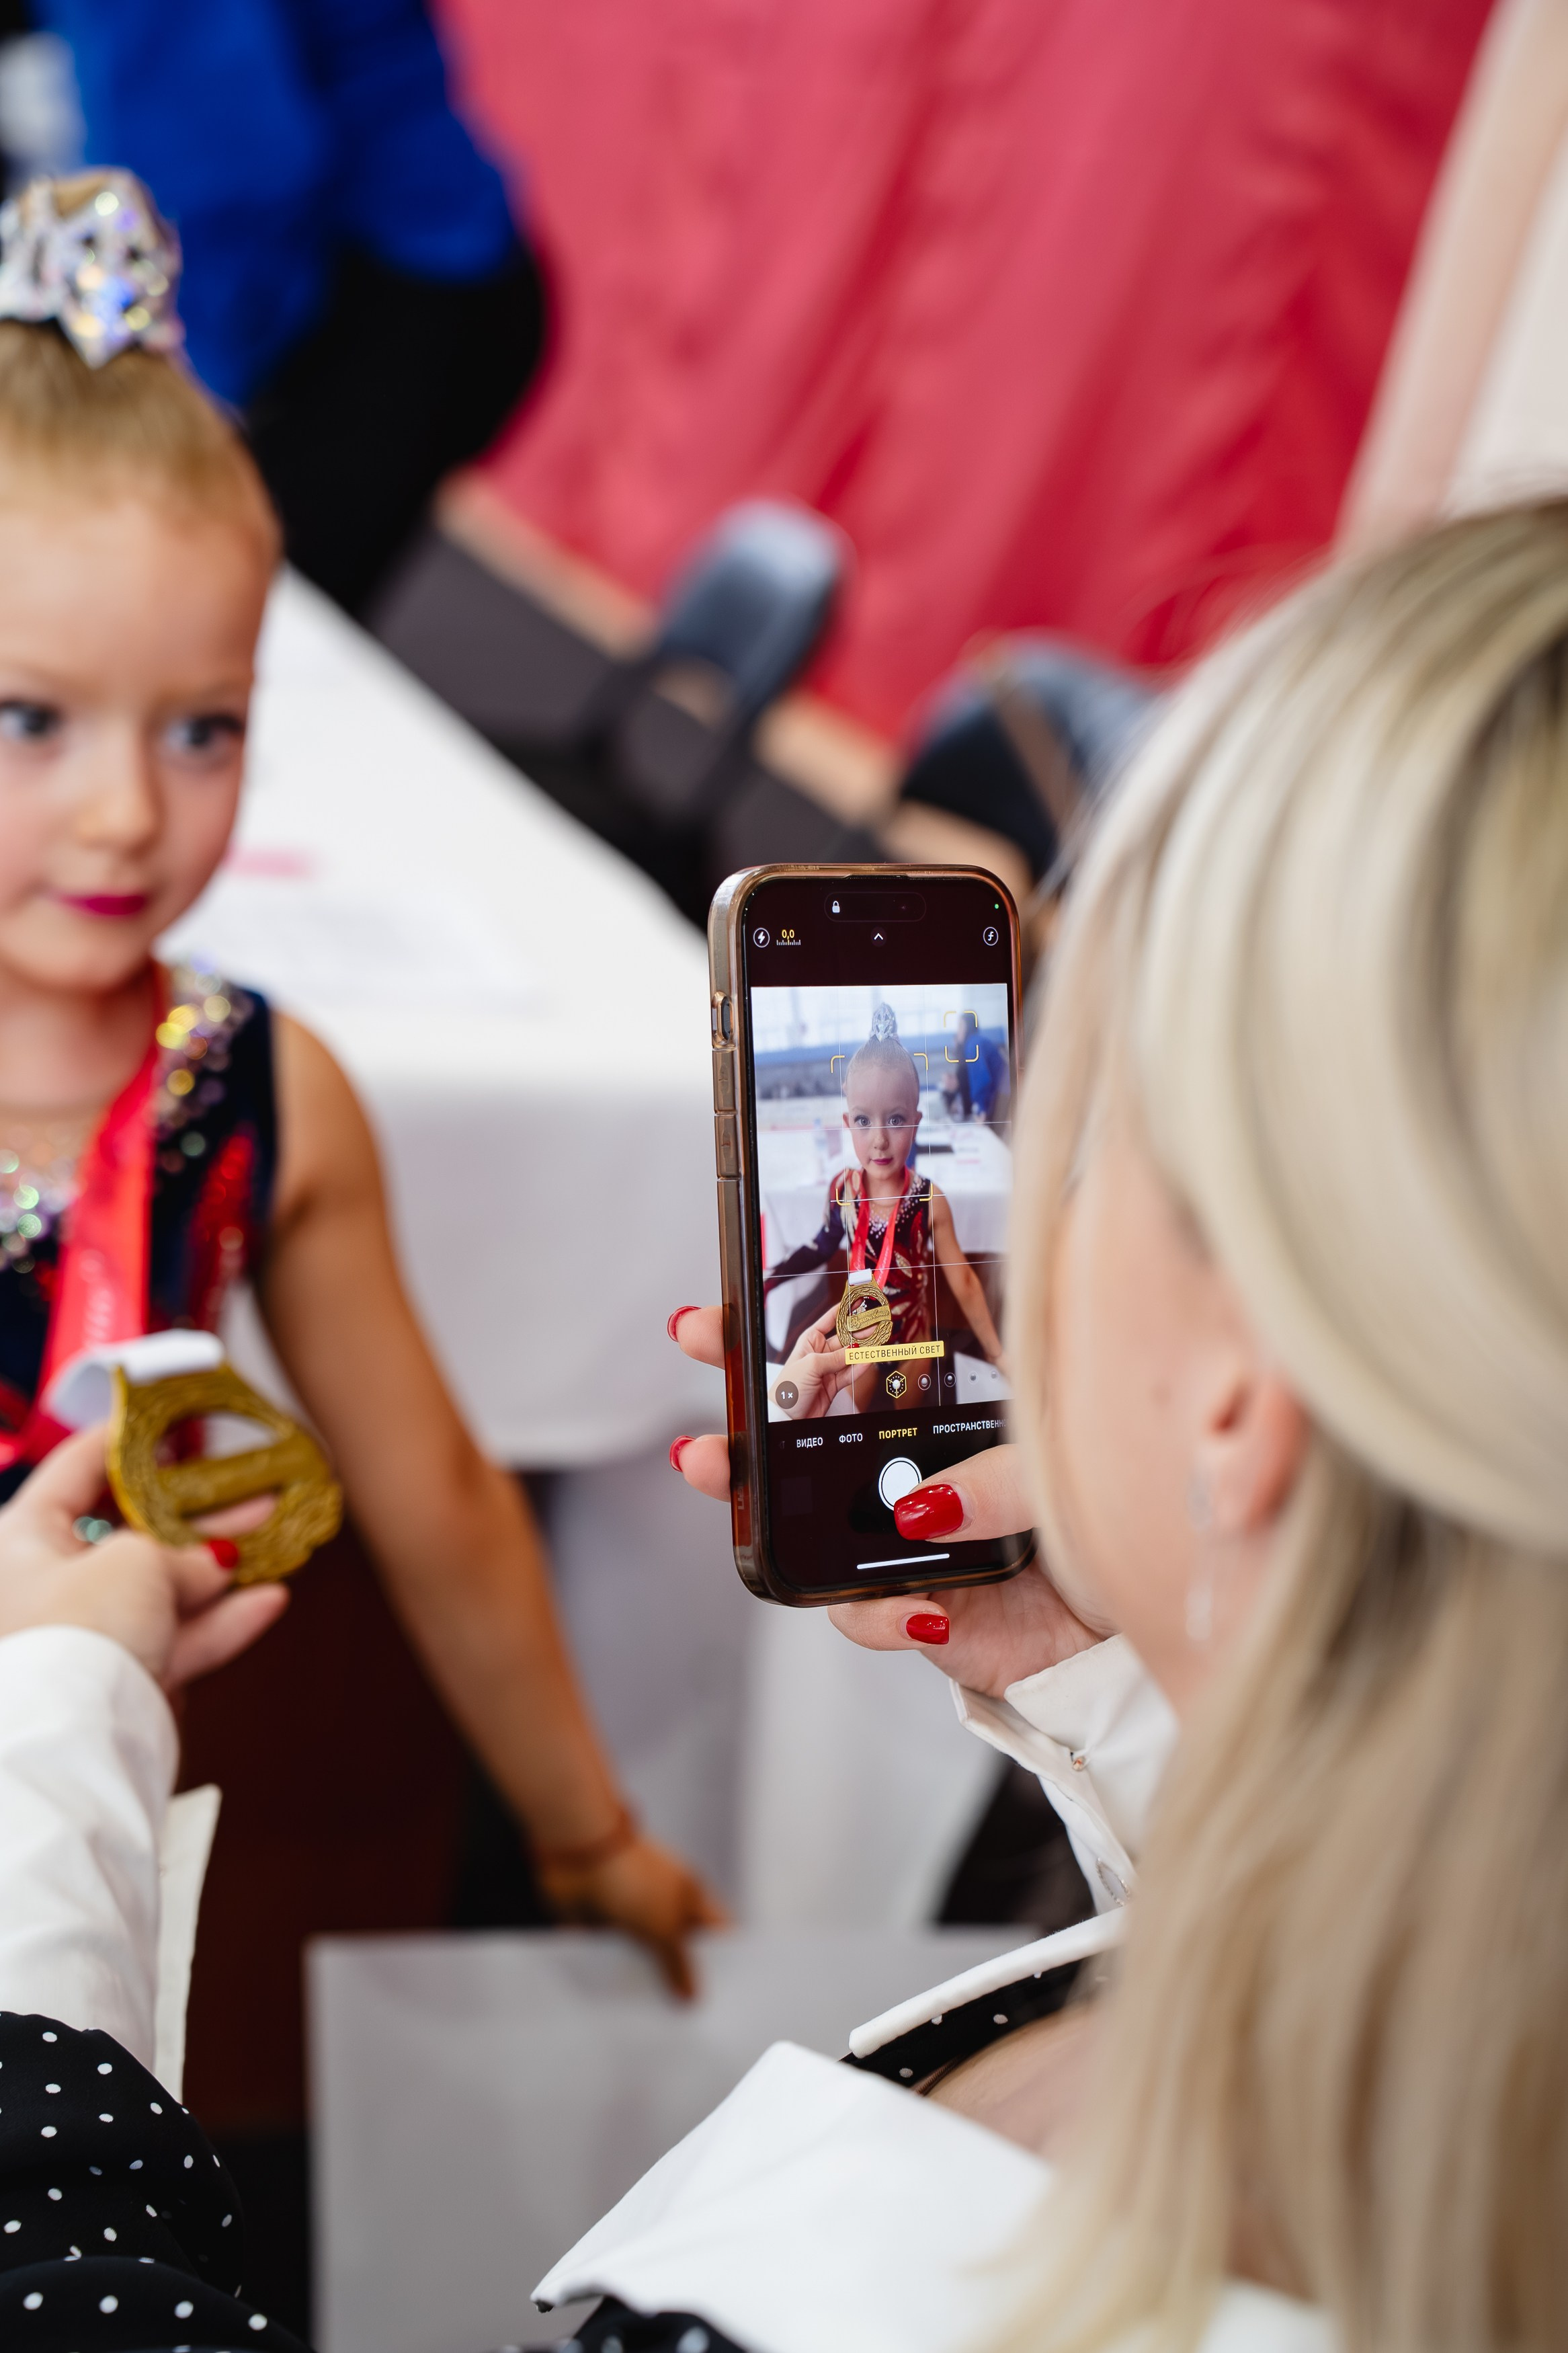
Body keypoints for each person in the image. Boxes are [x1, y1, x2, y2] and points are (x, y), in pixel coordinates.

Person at [644, 500, 1568, 2351]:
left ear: (1243, 1390)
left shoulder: (885, 2281)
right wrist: (1166, 1667)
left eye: (1103, 1110)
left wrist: (54, 1811)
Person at [0, 169, 718, 1992]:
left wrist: (582, 1827)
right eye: (31, 722)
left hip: (66, 1808)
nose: (120, 810)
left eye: (201, 728)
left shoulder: (259, 1089)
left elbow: (441, 1500)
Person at [28, 0, 546, 614]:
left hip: (384, 289)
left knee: (187, 627)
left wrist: (162, 406)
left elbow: (220, 173)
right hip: (381, 275)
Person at [761, 1005, 1004, 1417]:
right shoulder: (843, 1190)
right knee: (860, 1419)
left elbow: (962, 1279)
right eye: (862, 1120)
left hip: (914, 1342)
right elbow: (821, 1247)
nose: (879, 1140)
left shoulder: (929, 1199)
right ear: (847, 1122)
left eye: (895, 1120)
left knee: (904, 1421)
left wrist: (998, 1354)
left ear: (916, 1121)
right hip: (861, 1339)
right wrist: (770, 1280)